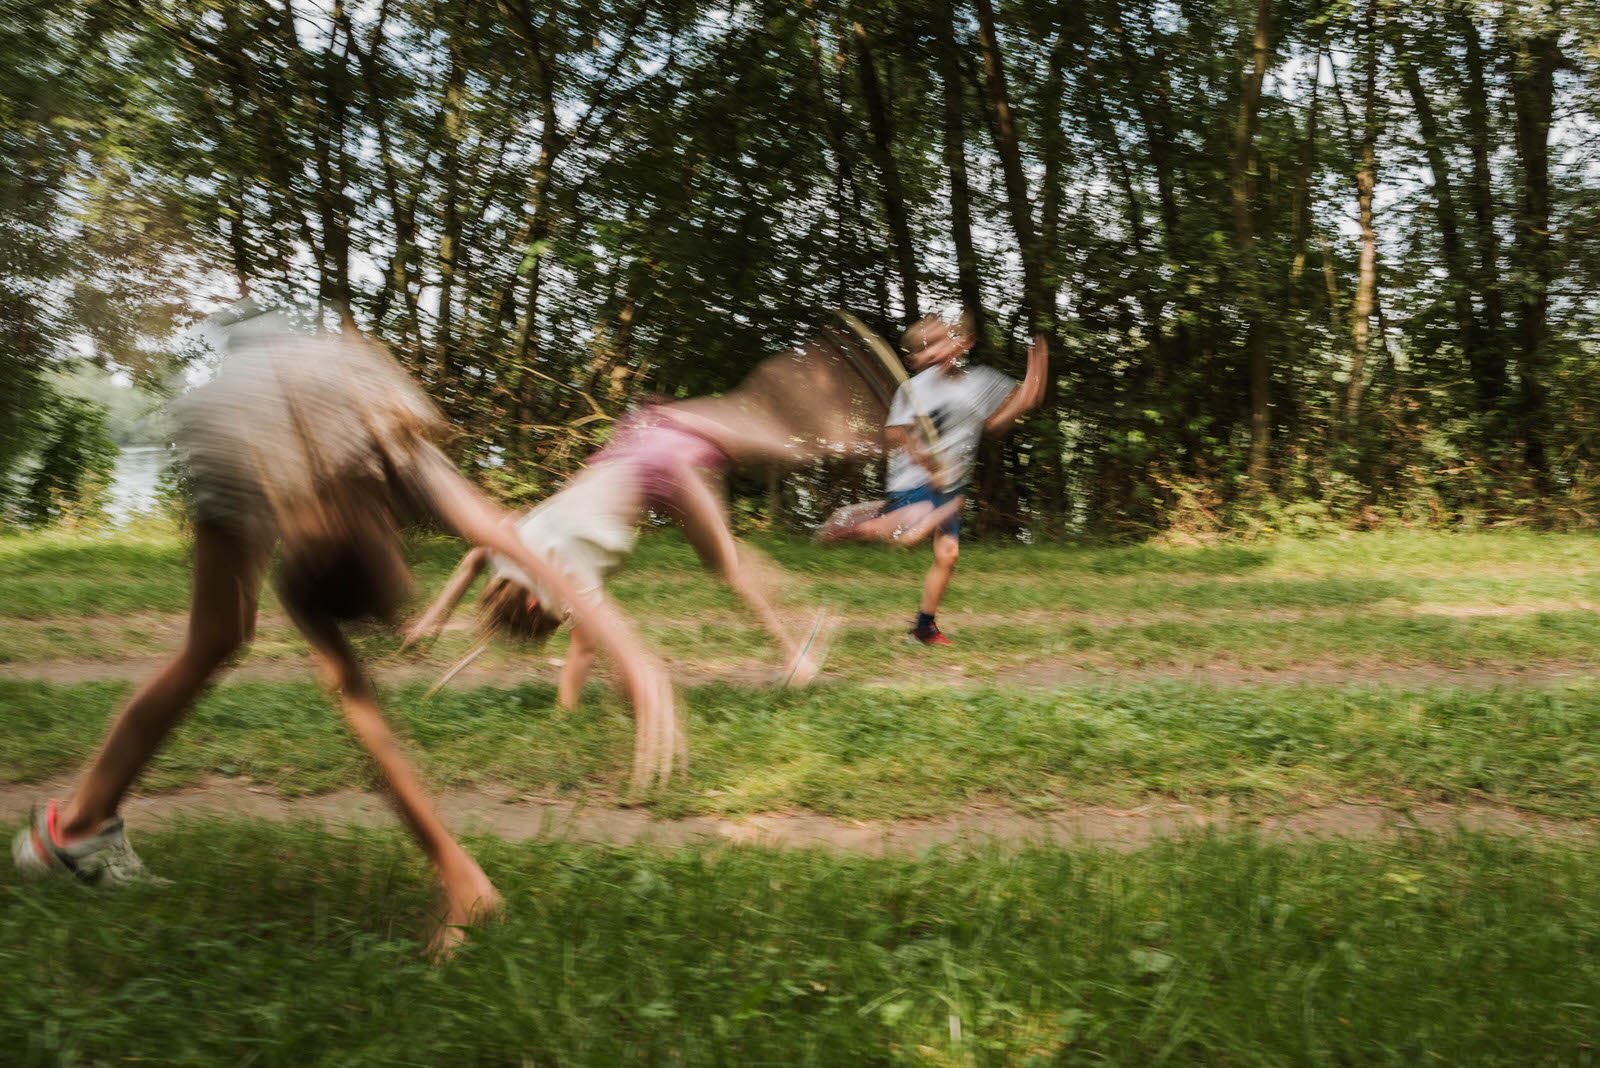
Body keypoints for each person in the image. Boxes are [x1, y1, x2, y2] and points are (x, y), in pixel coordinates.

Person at [10, 315, 676, 957]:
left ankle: (75, 828)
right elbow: (365, 712)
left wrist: (631, 654)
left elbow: (508, 538)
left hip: (313, 392)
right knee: (217, 637)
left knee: (215, 642)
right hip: (232, 426)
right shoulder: (272, 489)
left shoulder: (393, 448)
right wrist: (456, 872)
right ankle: (74, 831)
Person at [406, 402, 833, 703]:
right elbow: (472, 561)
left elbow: (584, 649)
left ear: (535, 604)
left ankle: (795, 655)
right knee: (722, 558)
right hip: (636, 448)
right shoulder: (509, 553)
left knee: (727, 566)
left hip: (661, 472)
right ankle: (797, 614)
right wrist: (432, 618)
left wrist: (565, 713)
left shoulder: (563, 581)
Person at [821, 314, 1047, 645]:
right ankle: (858, 524)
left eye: (943, 341)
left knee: (948, 554)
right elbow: (894, 434)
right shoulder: (913, 390)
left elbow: (1002, 418)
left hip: (950, 482)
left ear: (961, 343)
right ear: (918, 357)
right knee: (912, 532)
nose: (936, 351)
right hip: (914, 480)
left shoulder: (979, 382)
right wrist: (925, 459)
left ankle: (923, 629)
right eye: (926, 347)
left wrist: (1034, 379)